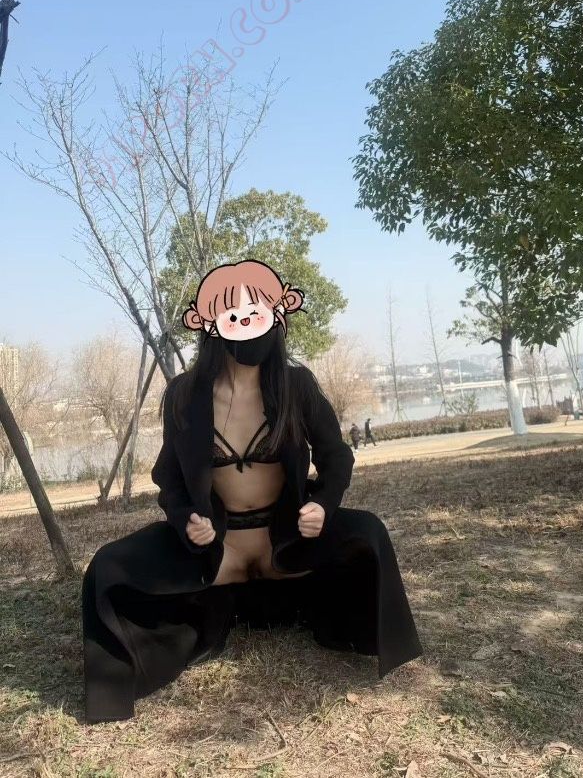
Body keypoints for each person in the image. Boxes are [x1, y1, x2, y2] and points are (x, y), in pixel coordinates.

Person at [82, 260, 422, 723]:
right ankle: (121, 686)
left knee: (370, 533)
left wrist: (322, 505)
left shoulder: (297, 386)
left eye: (256, 313)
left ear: (277, 316)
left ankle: (325, 616)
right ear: (209, 324)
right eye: (233, 315)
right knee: (107, 568)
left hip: (285, 546)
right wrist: (186, 520)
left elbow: (336, 456)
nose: (245, 324)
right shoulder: (184, 395)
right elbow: (169, 478)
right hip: (219, 555)